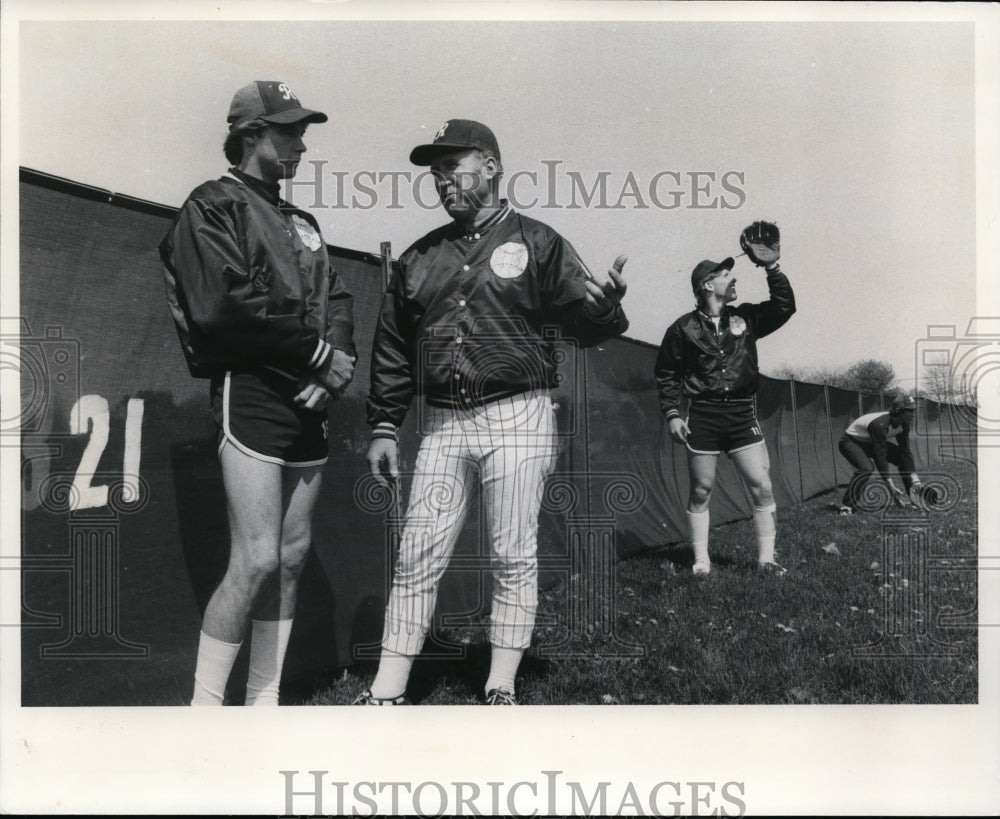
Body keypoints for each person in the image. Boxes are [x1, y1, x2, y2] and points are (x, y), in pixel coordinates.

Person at [358, 119, 629, 705]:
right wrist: (384, 422)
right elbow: (392, 346)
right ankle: (386, 690)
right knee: (417, 552)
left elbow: (582, 324)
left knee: (512, 551)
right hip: (443, 421)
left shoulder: (538, 240)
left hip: (518, 413)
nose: (441, 179)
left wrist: (606, 311)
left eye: (452, 166)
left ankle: (501, 683)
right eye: (435, 171)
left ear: (492, 166)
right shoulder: (420, 256)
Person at [160, 80, 356, 705]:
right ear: (251, 135)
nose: (301, 144)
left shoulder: (303, 220)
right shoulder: (212, 204)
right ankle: (204, 711)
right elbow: (223, 305)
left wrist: (335, 364)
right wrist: (318, 357)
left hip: (308, 400)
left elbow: (340, 298)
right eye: (290, 131)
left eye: (304, 132)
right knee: (256, 559)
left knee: (293, 555)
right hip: (251, 392)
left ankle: (263, 701)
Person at [654, 222, 795, 576]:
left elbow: (784, 307)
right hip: (702, 415)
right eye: (724, 275)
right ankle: (701, 560)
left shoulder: (746, 318)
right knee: (701, 489)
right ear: (706, 285)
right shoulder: (682, 328)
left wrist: (772, 268)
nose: (733, 278)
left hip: (741, 414)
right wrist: (673, 413)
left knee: (761, 486)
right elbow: (667, 373)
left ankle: (766, 560)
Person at [837, 393, 923, 513]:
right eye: (910, 411)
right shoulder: (880, 424)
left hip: (869, 442)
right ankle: (847, 507)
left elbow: (905, 451)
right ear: (899, 411)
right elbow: (880, 456)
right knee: (866, 468)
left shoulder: (904, 424)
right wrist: (890, 486)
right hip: (851, 441)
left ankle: (914, 499)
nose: (913, 414)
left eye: (914, 410)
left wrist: (915, 479)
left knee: (901, 456)